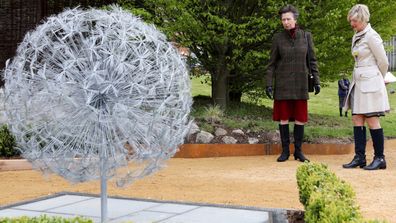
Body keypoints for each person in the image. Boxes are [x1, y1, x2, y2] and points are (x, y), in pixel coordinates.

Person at [266, 5, 320, 162]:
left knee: (300, 118)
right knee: (283, 118)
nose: (285, 22)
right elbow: (271, 64)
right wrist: (268, 83)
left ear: (295, 19)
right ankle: (284, 152)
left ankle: (298, 151)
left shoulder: (306, 36)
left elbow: (312, 60)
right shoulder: (277, 38)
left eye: (288, 19)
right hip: (282, 84)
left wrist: (316, 80)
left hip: (301, 83)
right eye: (283, 19)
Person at [342, 4, 390, 170]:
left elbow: (383, 62)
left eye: (354, 20)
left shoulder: (372, 36)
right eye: (351, 21)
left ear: (362, 19)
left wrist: (378, 79)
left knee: (372, 119)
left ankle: (380, 158)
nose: (351, 24)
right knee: (357, 118)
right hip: (358, 82)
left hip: (370, 82)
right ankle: (359, 157)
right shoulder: (358, 35)